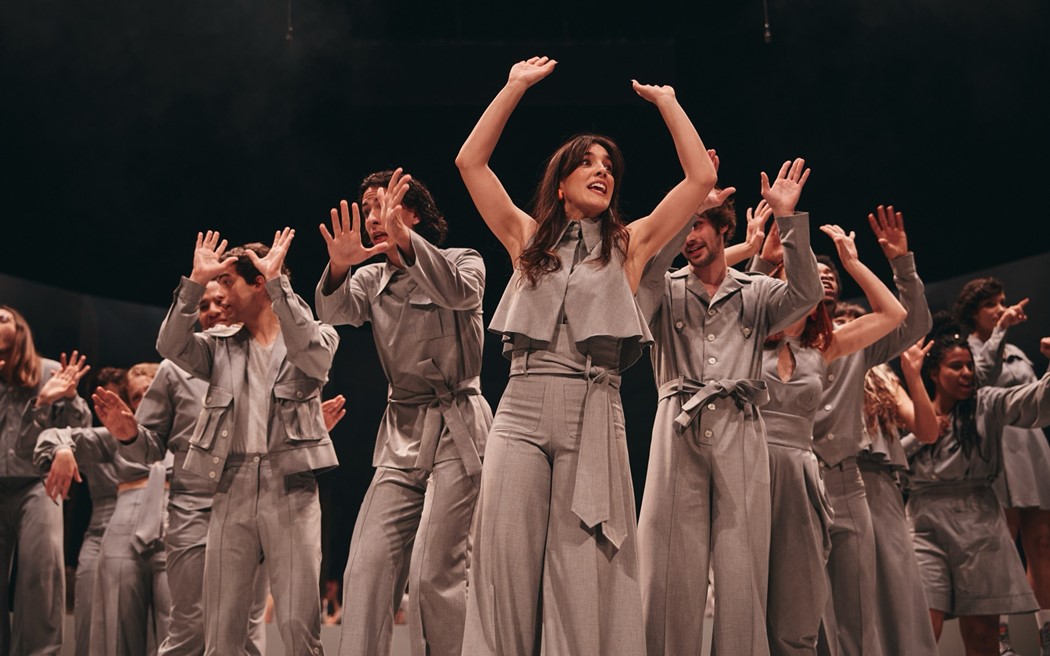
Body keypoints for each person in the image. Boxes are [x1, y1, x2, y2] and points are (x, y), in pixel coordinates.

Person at [455, 55, 717, 655]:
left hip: (593, 409)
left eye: (609, 167)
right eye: (587, 162)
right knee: (502, 566)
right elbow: (470, 163)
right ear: (560, 180)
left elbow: (699, 177)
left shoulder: (632, 243)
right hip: (519, 407)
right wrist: (513, 87)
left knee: (583, 573)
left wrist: (668, 102)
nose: (602, 171)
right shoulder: (527, 238)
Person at [634, 158, 822, 656]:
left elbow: (808, 294)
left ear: (723, 228)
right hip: (677, 432)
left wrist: (788, 219)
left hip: (740, 431)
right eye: (685, 226)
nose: (690, 236)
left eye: (698, 224)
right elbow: (640, 277)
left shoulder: (756, 291)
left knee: (742, 579)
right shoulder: (663, 287)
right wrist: (684, 206)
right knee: (668, 577)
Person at [315, 168, 491, 656]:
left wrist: (406, 242)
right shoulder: (371, 278)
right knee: (367, 566)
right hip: (402, 433)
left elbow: (460, 293)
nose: (373, 218)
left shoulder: (463, 260)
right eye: (367, 209)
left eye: (383, 206)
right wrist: (338, 267)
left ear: (414, 213)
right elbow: (333, 313)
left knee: (435, 572)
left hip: (458, 425)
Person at [155, 229, 339, 655]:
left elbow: (315, 358)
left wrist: (279, 286)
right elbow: (169, 344)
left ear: (259, 284)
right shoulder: (218, 346)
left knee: (297, 624)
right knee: (221, 628)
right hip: (231, 485)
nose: (220, 295)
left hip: (290, 485)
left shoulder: (315, 335)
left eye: (228, 282)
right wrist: (195, 283)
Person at [94, 279, 277, 656]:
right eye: (203, 305)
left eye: (220, 301)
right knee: (190, 629)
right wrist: (129, 434)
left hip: (254, 508)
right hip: (194, 512)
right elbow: (148, 448)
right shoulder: (173, 370)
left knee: (246, 631)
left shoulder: (265, 361)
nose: (211, 311)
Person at [750, 221, 906, 656]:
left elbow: (893, 314)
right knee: (752, 595)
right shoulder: (748, 341)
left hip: (804, 476)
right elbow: (736, 303)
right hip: (753, 470)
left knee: (799, 603)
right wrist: (761, 259)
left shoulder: (824, 346)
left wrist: (852, 263)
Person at [801, 205, 932, 656]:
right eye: (815, 271)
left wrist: (900, 264)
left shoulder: (851, 339)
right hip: (794, 477)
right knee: (806, 610)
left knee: (858, 609)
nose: (826, 276)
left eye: (831, 273)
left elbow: (913, 323)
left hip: (845, 477)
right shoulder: (774, 338)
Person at [903, 316, 1050, 655]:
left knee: (983, 634)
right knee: (922, 627)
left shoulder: (988, 403)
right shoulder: (908, 409)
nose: (967, 373)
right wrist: (923, 434)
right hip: (924, 524)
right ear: (934, 373)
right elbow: (887, 458)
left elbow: (1036, 401)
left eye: (970, 365)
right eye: (956, 367)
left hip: (980, 523)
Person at [36, 362, 171, 656]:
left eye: (150, 392)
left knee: (177, 627)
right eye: (136, 396)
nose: (143, 401)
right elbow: (56, 435)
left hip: (176, 521)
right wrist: (62, 448)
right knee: (116, 626)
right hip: (122, 524)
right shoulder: (118, 436)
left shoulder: (186, 436)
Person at [955, 278, 1050, 656]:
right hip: (996, 453)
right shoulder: (966, 351)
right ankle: (1001, 637)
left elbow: (1037, 398)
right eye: (991, 305)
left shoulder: (1016, 351)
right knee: (1002, 548)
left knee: (1042, 543)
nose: (1000, 309)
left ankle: (1046, 633)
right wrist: (999, 330)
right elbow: (981, 381)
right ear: (973, 312)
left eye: (1002, 302)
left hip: (1032, 450)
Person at [1, 305, 91, 655]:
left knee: (41, 578)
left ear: (20, 329)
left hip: (38, 485)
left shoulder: (50, 371)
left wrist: (66, 396)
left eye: (2, 318)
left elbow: (80, 431)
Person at [70, 366, 127, 656]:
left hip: (140, 529)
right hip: (99, 528)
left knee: (132, 623)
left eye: (115, 399)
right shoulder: (94, 439)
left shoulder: (149, 436)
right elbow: (64, 436)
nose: (109, 408)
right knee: (87, 620)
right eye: (101, 402)